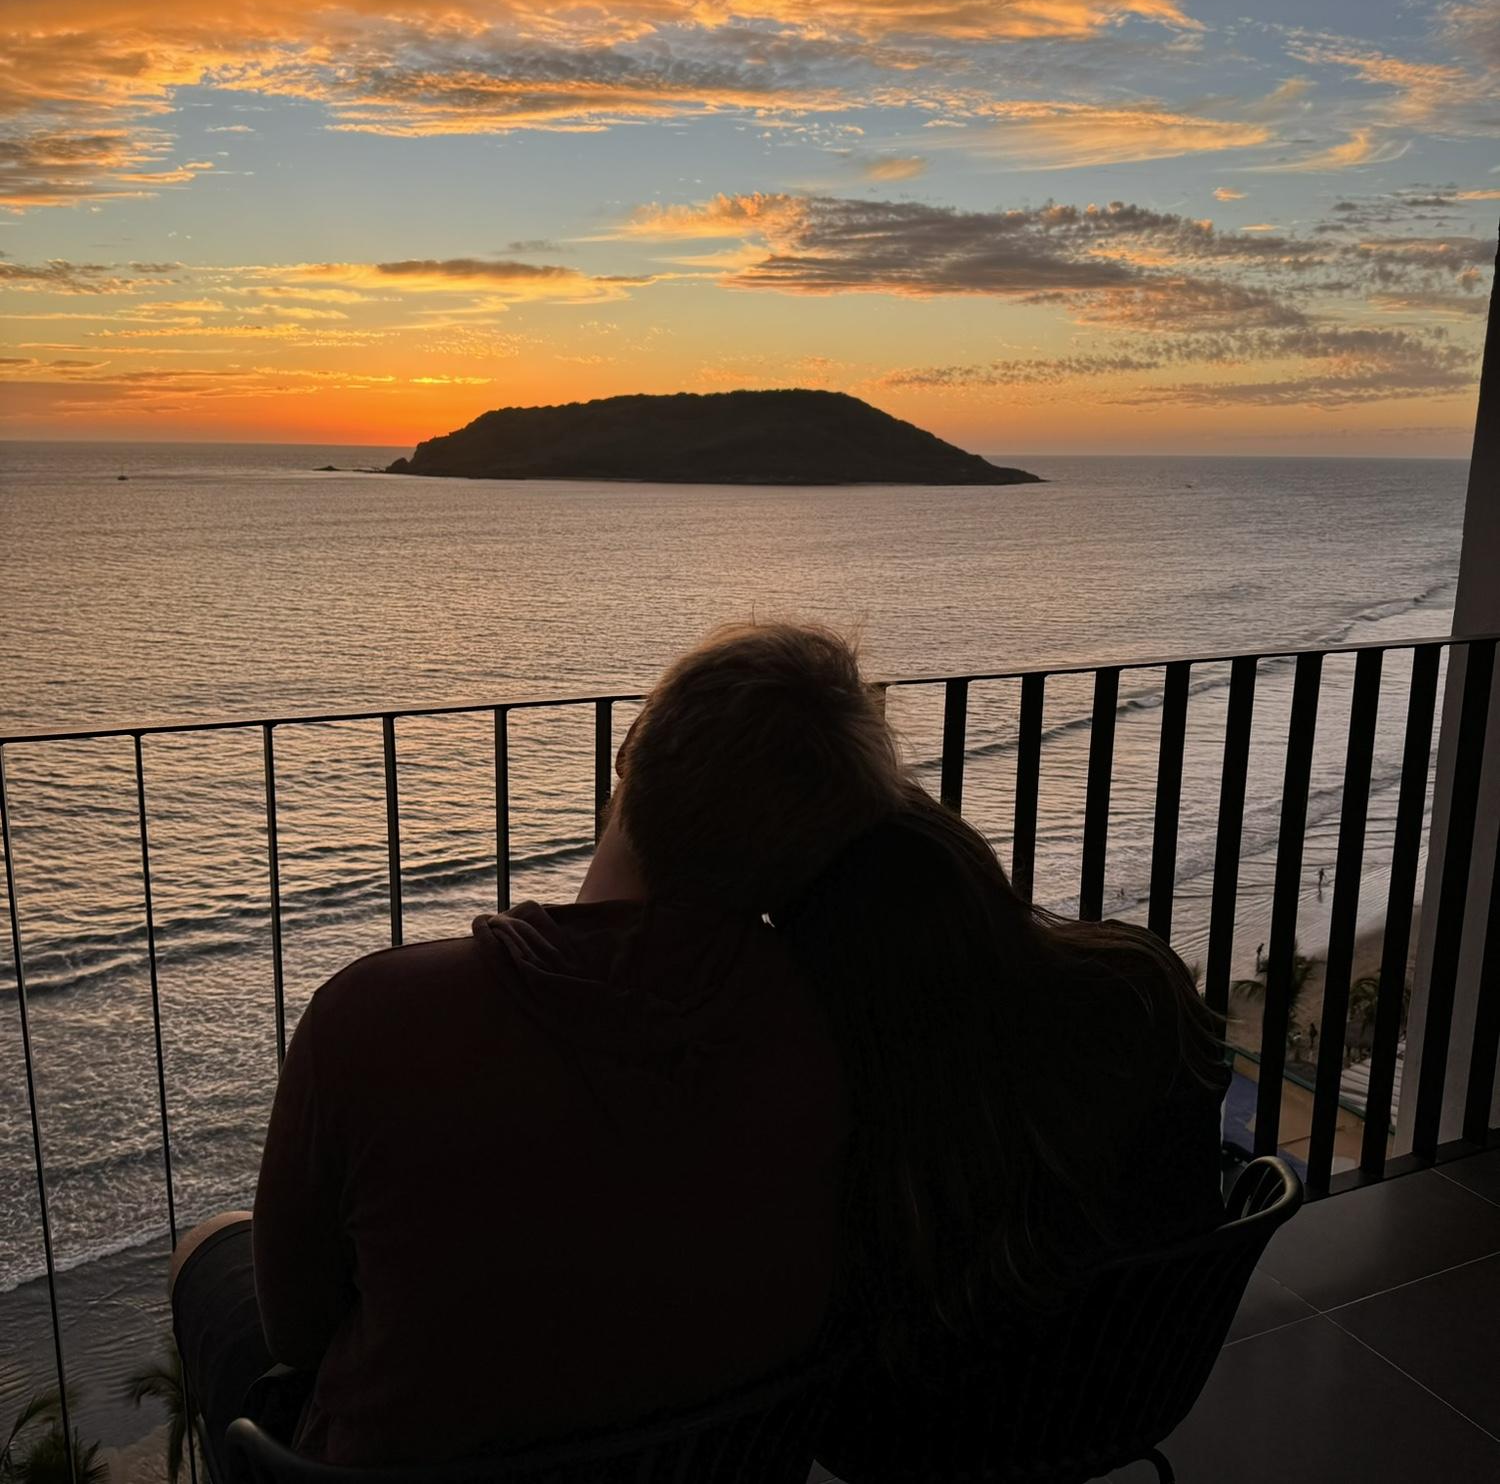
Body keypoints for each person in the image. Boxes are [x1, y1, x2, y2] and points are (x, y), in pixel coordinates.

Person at [170, 622, 902, 1475]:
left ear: (630, 749)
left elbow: (297, 1328)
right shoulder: (840, 1025)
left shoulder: (375, 1014)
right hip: (709, 1455)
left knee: (208, 1253)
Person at [769, 790, 1230, 1367]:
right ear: (975, 872)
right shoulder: (1139, 984)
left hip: (908, 1422)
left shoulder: (835, 1082)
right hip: (1144, 1363)